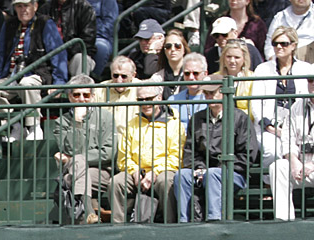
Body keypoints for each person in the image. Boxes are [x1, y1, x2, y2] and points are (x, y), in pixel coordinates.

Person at [173, 78, 260, 222]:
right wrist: (200, 168)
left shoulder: (240, 118)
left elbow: (248, 154)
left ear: (223, 92)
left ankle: (215, 219)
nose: (209, 96)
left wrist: (218, 168)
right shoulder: (197, 118)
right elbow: (190, 152)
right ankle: (184, 221)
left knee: (213, 174)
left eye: (213, 92)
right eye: (206, 93)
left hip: (234, 173)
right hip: (204, 171)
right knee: (182, 175)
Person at [0, 0, 68, 140]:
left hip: (37, 73)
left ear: (35, 6)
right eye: (19, 6)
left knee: (26, 84)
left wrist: (59, 82)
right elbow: (0, 54)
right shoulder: (9, 24)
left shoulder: (45, 23)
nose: (23, 10)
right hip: (10, 75)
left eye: (26, 6)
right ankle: (15, 125)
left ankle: (34, 126)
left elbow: (58, 53)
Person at [111, 85, 184, 223]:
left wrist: (155, 172)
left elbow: (176, 157)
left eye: (149, 98)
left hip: (163, 171)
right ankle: (117, 227)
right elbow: (123, 156)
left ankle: (170, 224)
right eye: (141, 99)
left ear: (159, 98)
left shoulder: (174, 124)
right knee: (116, 182)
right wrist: (134, 171)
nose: (145, 103)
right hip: (137, 172)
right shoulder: (132, 124)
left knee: (166, 181)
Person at [53, 75, 115, 224]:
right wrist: (77, 123)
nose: (81, 99)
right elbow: (69, 148)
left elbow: (108, 152)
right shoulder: (61, 122)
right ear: (70, 97)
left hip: (101, 171)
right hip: (77, 170)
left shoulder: (105, 116)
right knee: (78, 168)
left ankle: (84, 214)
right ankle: (88, 214)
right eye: (76, 94)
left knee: (71, 177)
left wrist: (73, 158)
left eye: (86, 95)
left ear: (93, 97)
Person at [253, 26, 314, 165]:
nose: (278, 47)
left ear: (293, 45)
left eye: (284, 43)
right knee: (273, 151)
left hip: (299, 126)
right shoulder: (262, 69)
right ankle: (270, 184)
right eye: (275, 43)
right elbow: (256, 104)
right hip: (270, 127)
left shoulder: (305, 68)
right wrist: (272, 128)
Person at [269, 77, 314, 218]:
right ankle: (284, 220)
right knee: (278, 167)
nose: (313, 84)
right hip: (299, 165)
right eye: (311, 80)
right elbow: (287, 138)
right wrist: (294, 161)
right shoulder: (297, 106)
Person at [39, 0, 98, 77]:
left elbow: (88, 40)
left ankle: (80, 88)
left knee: (81, 59)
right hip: (51, 58)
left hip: (73, 57)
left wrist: (65, 56)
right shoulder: (45, 8)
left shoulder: (84, 7)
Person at [94, 55, 140, 140]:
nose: (119, 80)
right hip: (104, 142)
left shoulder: (142, 89)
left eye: (124, 76)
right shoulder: (100, 89)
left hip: (133, 142)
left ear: (133, 75)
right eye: (115, 75)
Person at [213, 39, 257, 119]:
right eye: (229, 57)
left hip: (244, 124)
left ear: (244, 59)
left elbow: (254, 110)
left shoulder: (252, 78)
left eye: (237, 57)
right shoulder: (215, 78)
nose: (232, 61)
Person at [168, 52, 210, 124]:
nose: (191, 77)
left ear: (205, 74)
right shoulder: (173, 100)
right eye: (187, 73)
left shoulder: (212, 99)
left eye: (195, 73)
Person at [150, 29, 190, 98]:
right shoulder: (158, 77)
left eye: (177, 46)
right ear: (164, 51)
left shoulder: (193, 74)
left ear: (184, 49)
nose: (173, 49)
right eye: (168, 46)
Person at [87, 0, 118, 78]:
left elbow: (111, 23)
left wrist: (91, 35)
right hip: (78, 37)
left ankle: (94, 79)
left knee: (101, 47)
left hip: (99, 37)